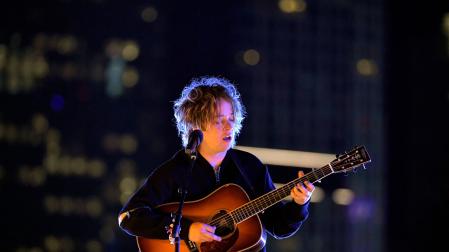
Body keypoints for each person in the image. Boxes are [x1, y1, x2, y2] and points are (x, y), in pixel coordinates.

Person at [118, 76, 315, 251]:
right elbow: (129, 217)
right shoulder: (176, 171)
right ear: (196, 126)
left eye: (232, 118)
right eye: (219, 121)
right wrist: (187, 230)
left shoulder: (249, 166)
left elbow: (279, 227)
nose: (230, 126)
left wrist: (300, 204)